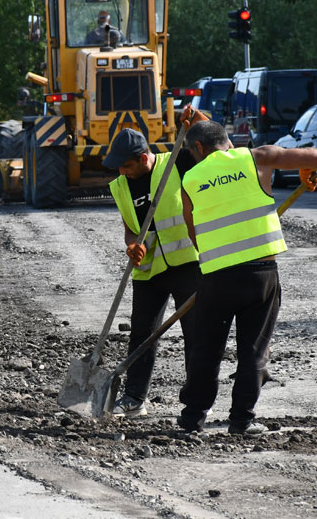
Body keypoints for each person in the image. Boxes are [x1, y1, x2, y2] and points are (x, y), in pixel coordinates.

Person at [176, 121, 317, 436]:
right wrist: (303, 172)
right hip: (261, 274)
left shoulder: (189, 179)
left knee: (206, 349)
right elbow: (316, 158)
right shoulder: (257, 157)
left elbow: (193, 232)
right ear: (227, 142)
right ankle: (241, 421)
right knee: (254, 351)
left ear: (199, 148)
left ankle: (192, 419)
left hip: (216, 276)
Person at [102, 106, 207, 417]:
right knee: (142, 333)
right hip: (149, 271)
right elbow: (130, 230)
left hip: (187, 264)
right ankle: (134, 399)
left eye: (127, 165)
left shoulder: (178, 161)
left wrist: (195, 116)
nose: (122, 172)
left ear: (144, 157)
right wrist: (132, 246)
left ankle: (198, 400)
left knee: (196, 332)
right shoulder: (120, 186)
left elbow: (211, 137)